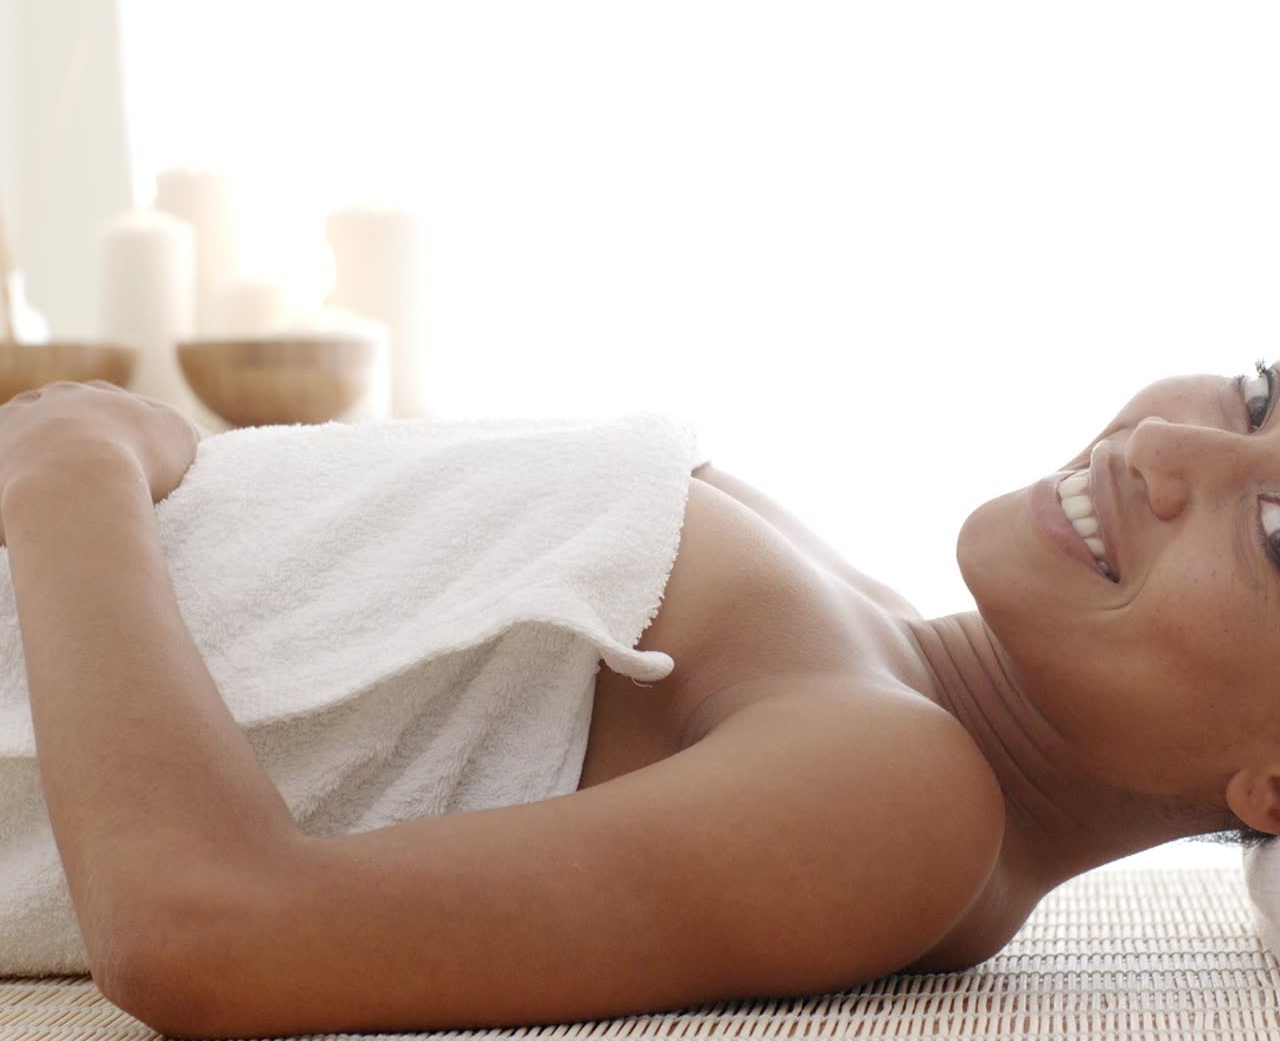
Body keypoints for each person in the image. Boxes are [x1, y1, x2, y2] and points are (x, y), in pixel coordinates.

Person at [4, 365, 1280, 1036]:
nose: (1167, 447)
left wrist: (72, 471)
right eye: (1260, 394)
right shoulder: (871, 639)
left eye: (1275, 527)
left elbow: (200, 931)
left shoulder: (899, 798)